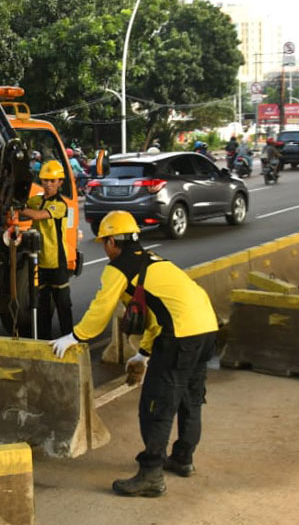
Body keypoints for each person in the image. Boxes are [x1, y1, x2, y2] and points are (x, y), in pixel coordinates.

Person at [50, 211, 219, 497]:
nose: (105, 247)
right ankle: (183, 458)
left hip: (180, 336)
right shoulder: (154, 261)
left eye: (106, 241)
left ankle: (151, 475)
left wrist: (76, 336)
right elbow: (156, 316)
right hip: (206, 328)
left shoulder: (119, 268)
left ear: (113, 241)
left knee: (156, 403)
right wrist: (143, 353)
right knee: (191, 399)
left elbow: (101, 308)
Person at [19, 160, 74, 340]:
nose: (48, 185)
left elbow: (37, 215)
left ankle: (68, 340)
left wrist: (20, 208)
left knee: (63, 305)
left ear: (60, 183)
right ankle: (44, 341)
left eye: (52, 181)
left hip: (56, 262)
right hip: (39, 262)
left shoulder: (60, 205)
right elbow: (25, 208)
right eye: (45, 181)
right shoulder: (35, 201)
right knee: (42, 307)